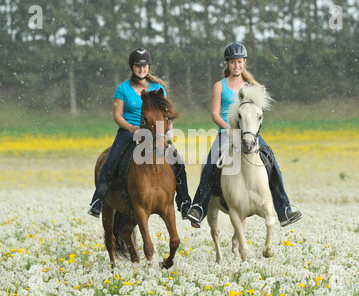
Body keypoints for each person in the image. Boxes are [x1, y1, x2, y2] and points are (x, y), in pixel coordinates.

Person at [186, 41, 302, 228]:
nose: (236, 66)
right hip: (226, 132)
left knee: (271, 161)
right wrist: (227, 127)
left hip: (249, 133)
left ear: (244, 63)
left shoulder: (252, 87)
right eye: (233, 62)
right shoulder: (220, 86)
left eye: (239, 62)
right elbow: (215, 113)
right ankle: (198, 207)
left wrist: (251, 129)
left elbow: (258, 113)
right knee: (210, 164)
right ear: (227, 64)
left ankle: (284, 209)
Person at [88, 48, 191, 218]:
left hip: (155, 133)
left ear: (149, 67)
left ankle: (184, 202)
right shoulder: (122, 89)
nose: (141, 69)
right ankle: (98, 200)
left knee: (177, 162)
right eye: (138, 66)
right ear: (132, 67)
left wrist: (170, 130)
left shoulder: (158, 89)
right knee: (111, 161)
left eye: (144, 66)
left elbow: (165, 112)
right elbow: (117, 115)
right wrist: (131, 128)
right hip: (129, 132)